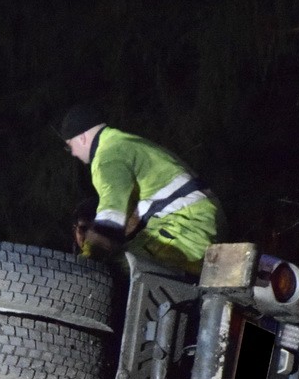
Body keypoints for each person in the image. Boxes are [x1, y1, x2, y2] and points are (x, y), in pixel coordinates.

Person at [61, 103, 223, 274]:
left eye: (69, 147)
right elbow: (127, 213)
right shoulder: (125, 143)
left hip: (185, 225)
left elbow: (112, 212)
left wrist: (86, 262)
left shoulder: (107, 157)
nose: (73, 154)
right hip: (197, 219)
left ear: (82, 138)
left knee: (113, 270)